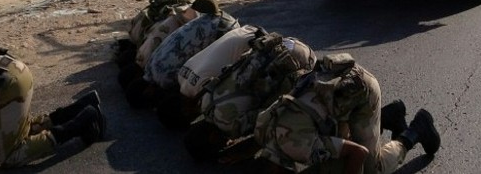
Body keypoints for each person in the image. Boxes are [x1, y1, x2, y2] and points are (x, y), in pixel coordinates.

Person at [254, 53, 441, 174]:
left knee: (372, 169)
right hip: (337, 94)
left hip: (361, 92)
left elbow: (358, 152)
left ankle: (416, 130)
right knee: (330, 165)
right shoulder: (267, 130)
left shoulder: (301, 145)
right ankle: (387, 117)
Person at [182, 31, 317, 162]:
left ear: (212, 138)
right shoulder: (205, 101)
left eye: (218, 147)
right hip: (278, 45)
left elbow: (269, 117)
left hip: (301, 60)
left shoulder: (231, 126)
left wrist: (248, 147)